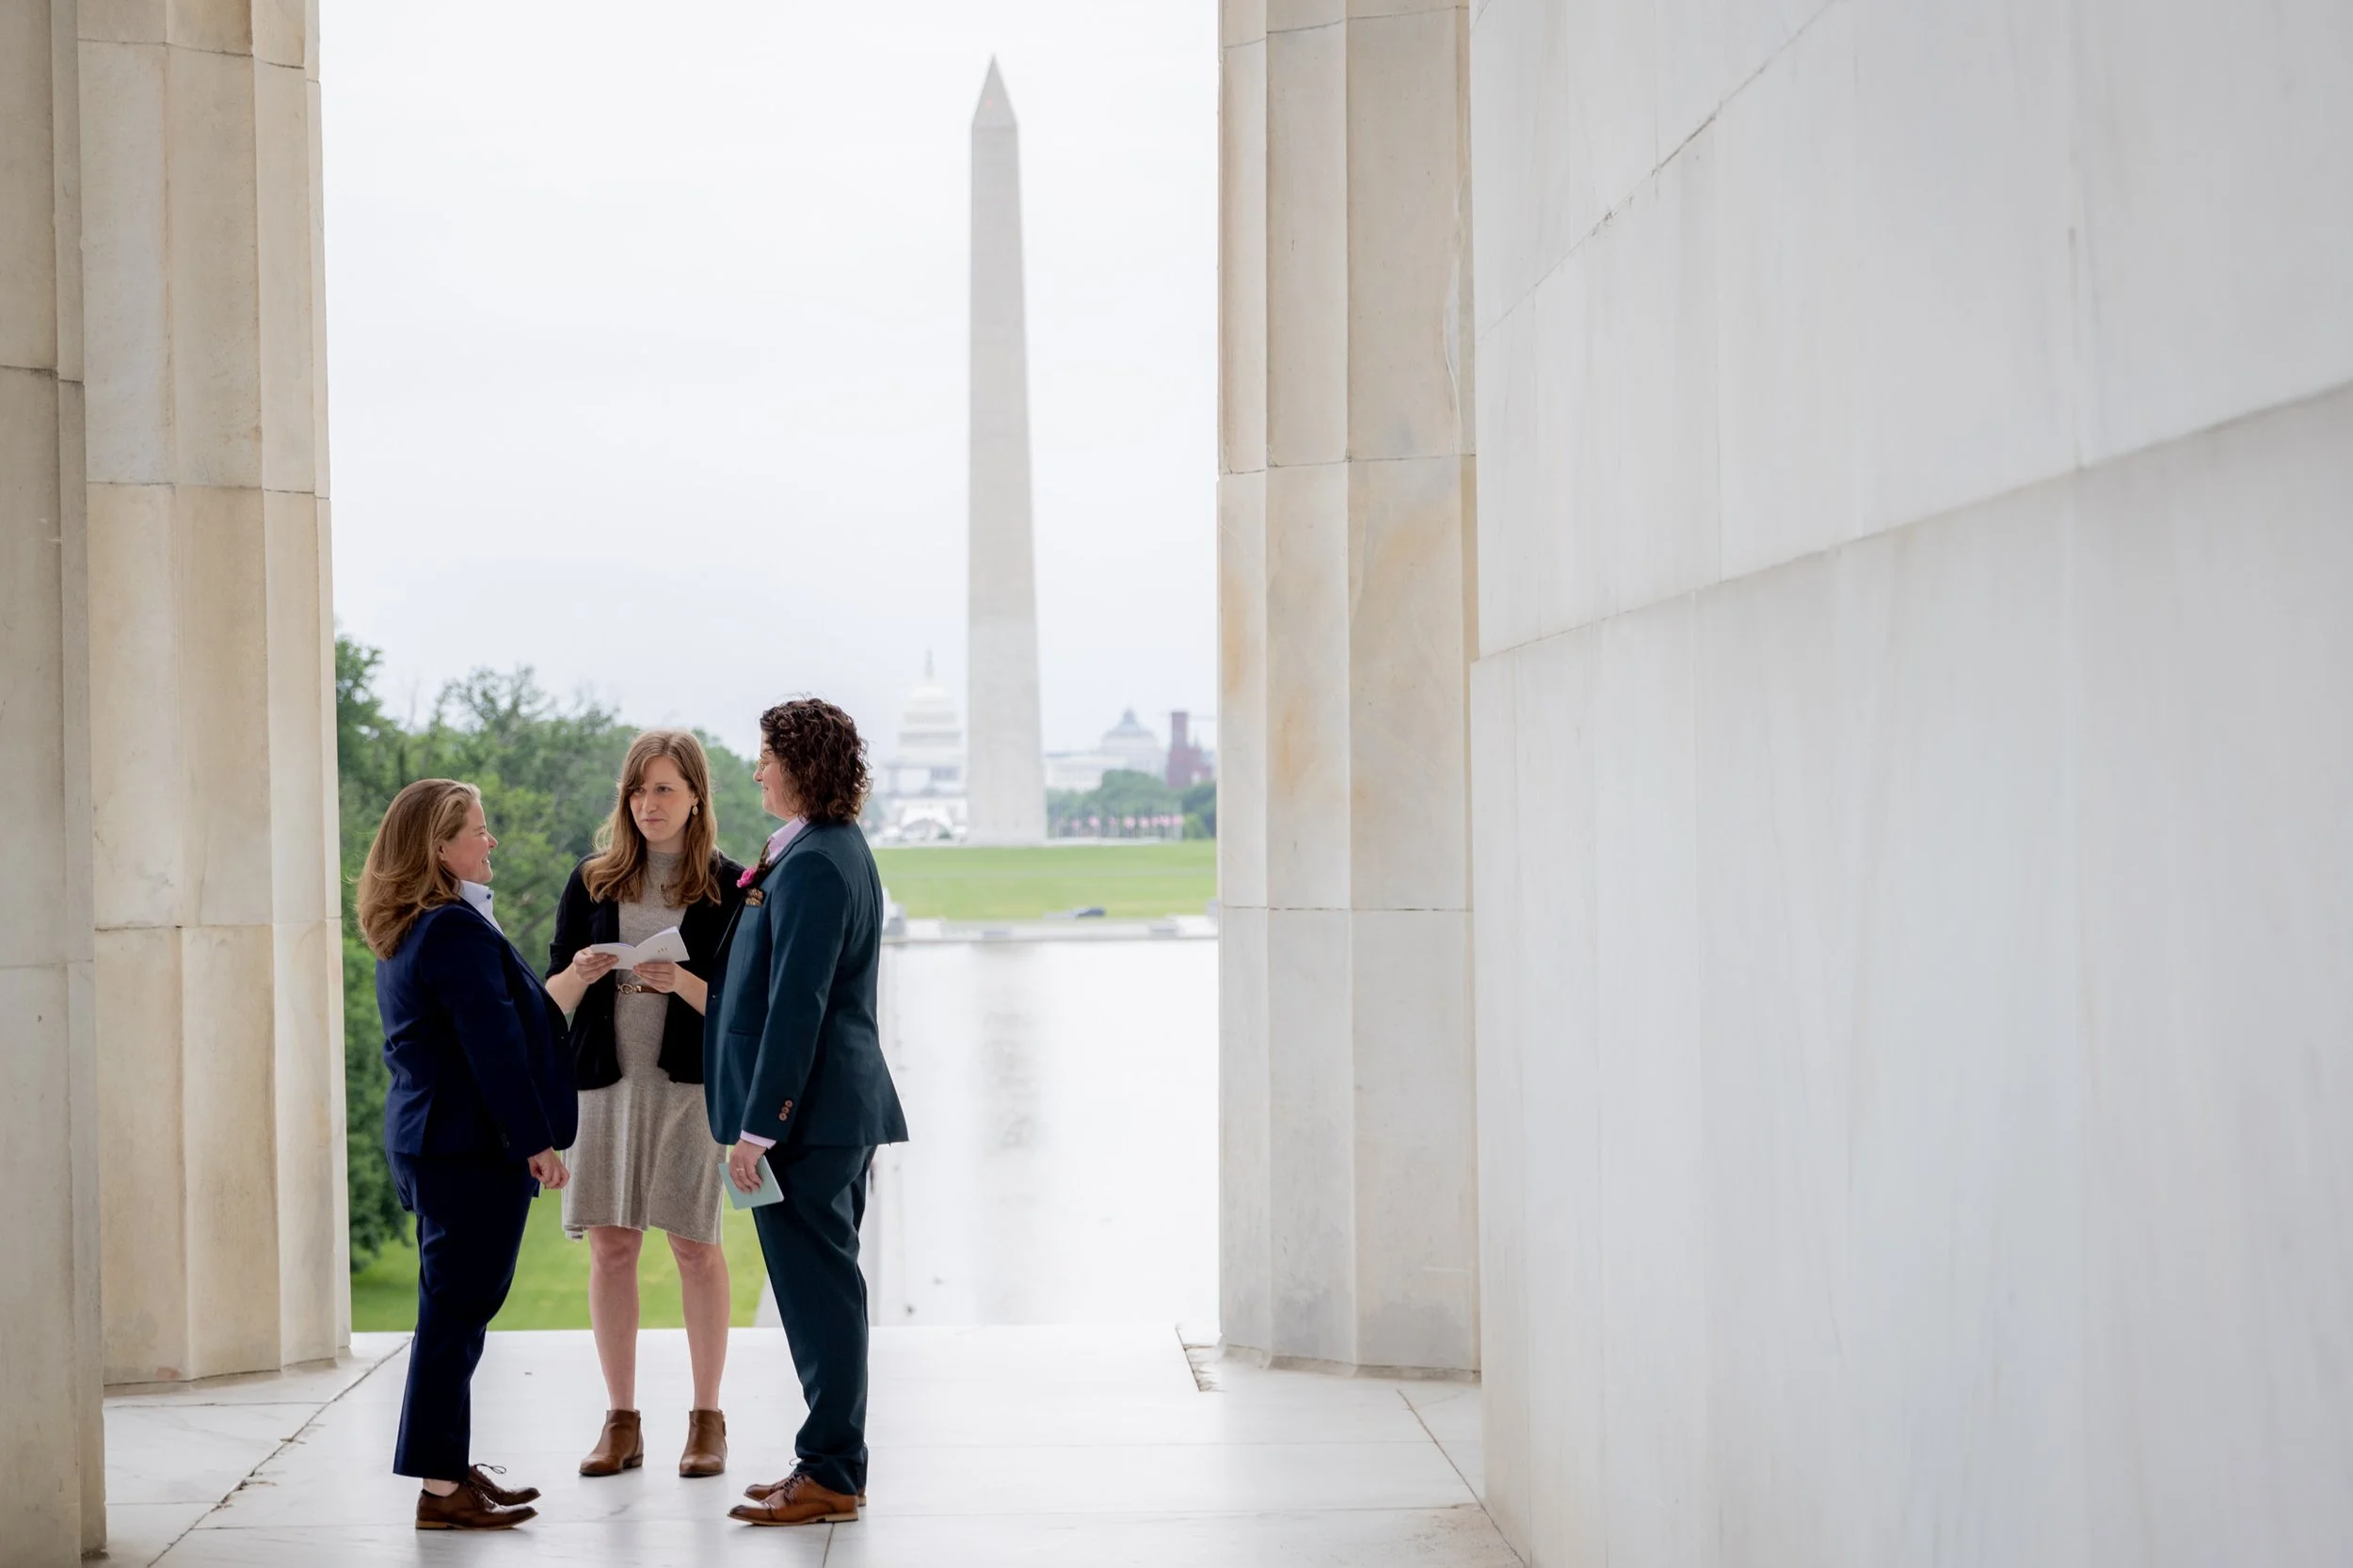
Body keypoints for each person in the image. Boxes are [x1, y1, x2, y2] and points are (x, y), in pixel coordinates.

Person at [707, 698, 909, 1527]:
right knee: (824, 1293)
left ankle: (829, 1473)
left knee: (820, 1297)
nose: (757, 770)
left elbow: (800, 1006)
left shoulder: (819, 862)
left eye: (767, 756)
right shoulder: (820, 848)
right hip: (827, 1116)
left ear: (801, 765)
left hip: (810, 1121)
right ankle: (827, 1464)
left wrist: (761, 1128)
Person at [359, 778, 578, 1532]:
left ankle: (447, 1473)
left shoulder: (419, 924)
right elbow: (494, 1047)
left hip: (437, 1145)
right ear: (439, 847)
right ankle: (441, 1490)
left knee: (452, 1319)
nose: (491, 841)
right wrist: (536, 1142)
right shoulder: (450, 929)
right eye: (478, 830)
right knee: (454, 1324)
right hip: (465, 1151)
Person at [544, 730, 746, 1480]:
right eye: (637, 789)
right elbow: (550, 998)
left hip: (689, 1088)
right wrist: (582, 969)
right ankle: (621, 1422)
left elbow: (743, 1009)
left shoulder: (729, 886)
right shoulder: (592, 880)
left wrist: (681, 983)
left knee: (694, 1245)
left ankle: (707, 1420)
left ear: (695, 796)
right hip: (604, 1083)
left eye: (664, 789)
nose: (648, 803)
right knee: (612, 1246)